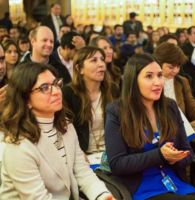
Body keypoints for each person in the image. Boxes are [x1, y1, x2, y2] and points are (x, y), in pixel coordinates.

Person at [0, 62, 114, 200]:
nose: (56, 91)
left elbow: (82, 171)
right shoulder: (17, 145)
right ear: (26, 100)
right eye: (44, 88)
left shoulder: (65, 125)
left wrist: (102, 195)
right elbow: (38, 197)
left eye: (55, 83)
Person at [105, 53, 195, 200]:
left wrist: (175, 159)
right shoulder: (117, 111)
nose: (158, 82)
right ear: (133, 81)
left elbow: (188, 152)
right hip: (142, 189)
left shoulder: (170, 106)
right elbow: (118, 164)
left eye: (159, 75)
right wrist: (160, 155)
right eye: (149, 76)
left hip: (175, 184)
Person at [62, 46, 113, 159]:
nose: (101, 64)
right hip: (82, 157)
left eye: (102, 59)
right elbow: (65, 132)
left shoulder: (112, 90)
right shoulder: (68, 94)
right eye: (94, 60)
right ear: (80, 69)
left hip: (110, 154)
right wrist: (79, 155)